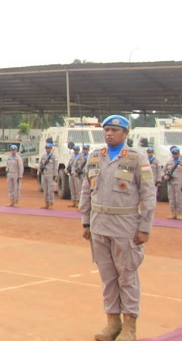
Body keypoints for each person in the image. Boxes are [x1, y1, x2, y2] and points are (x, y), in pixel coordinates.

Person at [80, 115, 156, 341]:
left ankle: (130, 327)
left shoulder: (136, 158)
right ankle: (112, 323)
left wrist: (145, 228)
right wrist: (85, 221)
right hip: (99, 225)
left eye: (114, 130)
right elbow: (86, 190)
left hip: (126, 226)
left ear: (125, 134)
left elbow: (148, 195)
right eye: (106, 130)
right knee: (108, 277)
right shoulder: (96, 157)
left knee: (127, 276)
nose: (109, 133)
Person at [161, 146, 182, 219]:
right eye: (173, 153)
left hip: (179, 182)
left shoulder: (180, 161)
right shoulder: (169, 161)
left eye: (176, 153)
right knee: (171, 197)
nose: (174, 155)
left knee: (179, 197)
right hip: (170, 181)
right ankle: (173, 212)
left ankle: (179, 213)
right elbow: (163, 170)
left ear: (179, 154)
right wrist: (164, 176)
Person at [39, 142, 58, 209]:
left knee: (51, 190)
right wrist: (40, 170)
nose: (48, 150)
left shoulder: (54, 157)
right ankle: (46, 203)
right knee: (45, 190)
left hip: (51, 174)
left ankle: (51, 203)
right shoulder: (43, 156)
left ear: (51, 149)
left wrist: (55, 175)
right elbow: (41, 164)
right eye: (47, 148)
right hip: (44, 174)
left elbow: (56, 166)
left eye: (49, 148)